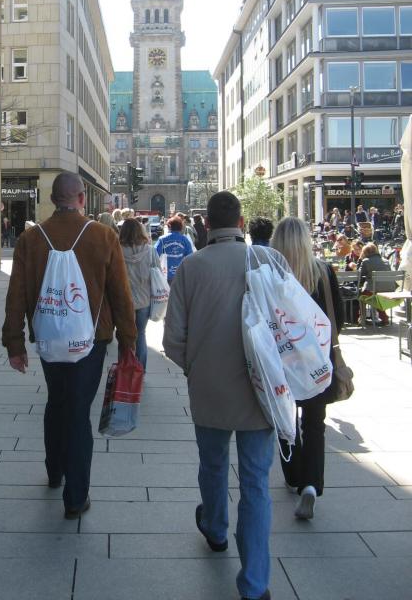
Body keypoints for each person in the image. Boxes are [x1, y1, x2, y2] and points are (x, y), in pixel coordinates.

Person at [164, 191, 284, 600]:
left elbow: (172, 340)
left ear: (207, 225)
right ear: (242, 222)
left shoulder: (192, 267)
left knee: (213, 465)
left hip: (210, 388)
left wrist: (196, 368)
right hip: (261, 390)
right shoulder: (269, 260)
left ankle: (215, 528)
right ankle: (255, 583)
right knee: (256, 483)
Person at [2, 172, 136, 519]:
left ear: (52, 199)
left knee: (57, 400)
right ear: (81, 199)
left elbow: (16, 295)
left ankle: (55, 470)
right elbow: (121, 294)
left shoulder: (31, 238)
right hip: (93, 339)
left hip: (49, 335)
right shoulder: (103, 236)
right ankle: (76, 497)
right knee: (78, 410)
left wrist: (14, 342)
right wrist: (128, 341)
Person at [270, 217, 344, 521]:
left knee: (285, 422)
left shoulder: (270, 275)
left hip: (282, 362)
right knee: (315, 424)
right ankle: (311, 484)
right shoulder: (323, 272)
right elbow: (339, 317)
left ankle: (293, 474)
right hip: (317, 362)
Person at [119, 217, 161, 371]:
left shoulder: (117, 250)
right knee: (141, 334)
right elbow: (158, 273)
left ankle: (124, 370)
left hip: (124, 301)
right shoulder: (150, 251)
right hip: (144, 300)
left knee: (124, 336)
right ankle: (140, 370)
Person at [358, 242, 395, 325]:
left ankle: (362, 319)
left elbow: (359, 275)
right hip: (390, 289)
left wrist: (360, 259)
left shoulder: (366, 261)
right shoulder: (386, 261)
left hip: (375, 290)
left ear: (365, 252)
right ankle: (384, 318)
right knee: (375, 295)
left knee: (361, 295)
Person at [155, 216, 195, 283]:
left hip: (165, 274)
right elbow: (190, 257)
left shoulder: (162, 239)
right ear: (180, 227)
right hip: (180, 274)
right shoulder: (184, 239)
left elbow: (155, 256)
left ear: (169, 226)